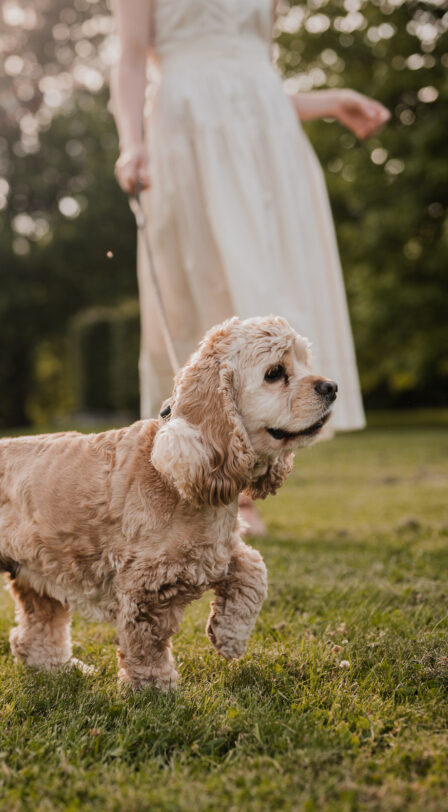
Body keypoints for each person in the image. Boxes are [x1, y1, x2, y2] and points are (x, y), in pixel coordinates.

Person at [110, 0, 389, 534]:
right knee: (205, 290)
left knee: (268, 296)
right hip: (186, 134)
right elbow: (128, 60)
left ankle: (250, 467)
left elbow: (252, 81)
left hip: (266, 145)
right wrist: (132, 142)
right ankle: (209, 477)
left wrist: (331, 101)